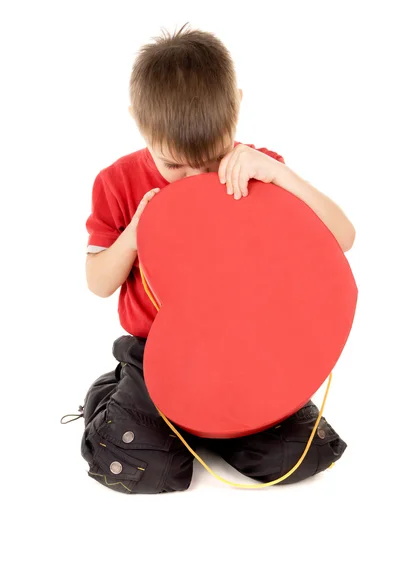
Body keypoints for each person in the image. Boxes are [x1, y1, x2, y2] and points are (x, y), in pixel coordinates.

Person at [79, 24, 355, 494]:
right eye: (172, 165)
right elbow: (99, 282)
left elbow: (344, 238)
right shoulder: (117, 181)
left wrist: (278, 174)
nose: (192, 180)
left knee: (302, 453)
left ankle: (209, 430)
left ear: (237, 109)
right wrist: (133, 236)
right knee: (144, 470)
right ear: (137, 122)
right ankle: (117, 397)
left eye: (209, 161)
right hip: (159, 354)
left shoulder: (258, 168)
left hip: (244, 347)